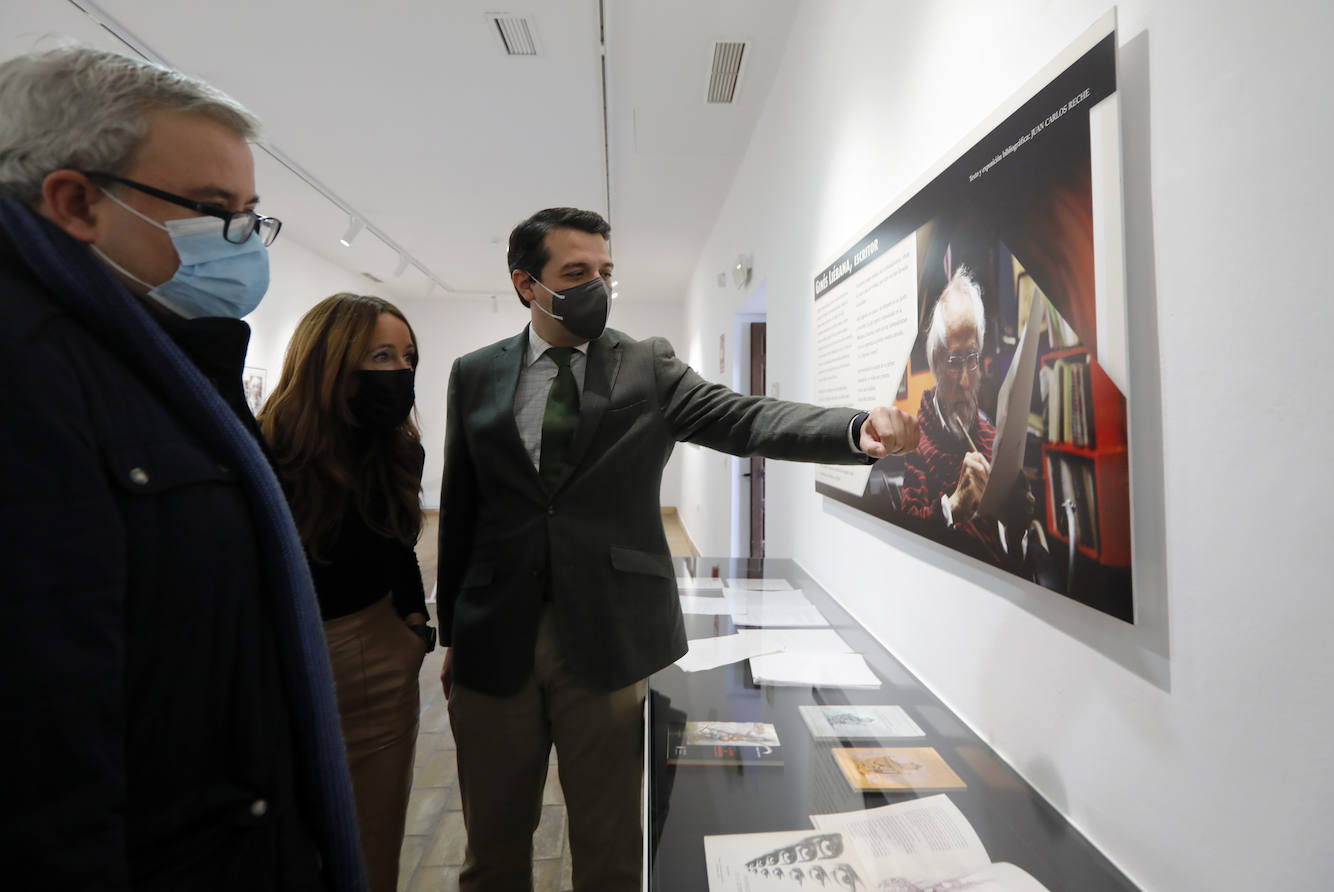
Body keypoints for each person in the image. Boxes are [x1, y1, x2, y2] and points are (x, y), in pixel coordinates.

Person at [437, 206, 921, 891]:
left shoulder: (647, 365)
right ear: (526, 284)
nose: (596, 286)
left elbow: (745, 416)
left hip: (607, 633)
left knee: (609, 847)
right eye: (576, 273)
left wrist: (853, 430)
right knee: (492, 847)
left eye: (605, 272)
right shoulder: (475, 372)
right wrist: (453, 631)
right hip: (494, 631)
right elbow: (460, 504)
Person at [0, 47, 363, 890]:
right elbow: (42, 741)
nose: (241, 239)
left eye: (249, 213)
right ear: (75, 200)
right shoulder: (21, 369)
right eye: (210, 209)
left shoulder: (154, 356)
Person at [259, 294, 432, 892]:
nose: (400, 372)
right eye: (381, 355)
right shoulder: (270, 452)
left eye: (408, 356)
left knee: (368, 845)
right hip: (283, 663)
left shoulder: (395, 448)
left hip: (377, 653)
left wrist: (412, 621)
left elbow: (397, 540)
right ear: (328, 361)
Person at [887, 266, 1033, 567]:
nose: (966, 381)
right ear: (937, 362)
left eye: (972, 358)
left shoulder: (993, 435)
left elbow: (1013, 550)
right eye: (954, 362)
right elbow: (906, 531)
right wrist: (954, 507)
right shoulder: (917, 439)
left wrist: (1016, 526)